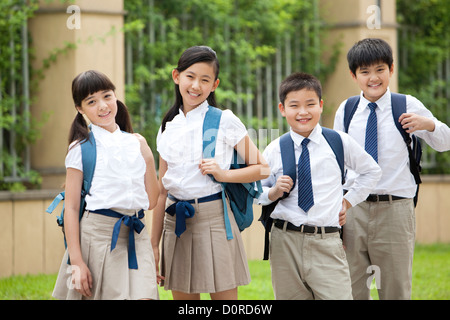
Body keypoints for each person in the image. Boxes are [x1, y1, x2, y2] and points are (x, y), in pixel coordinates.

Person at [333, 38, 450, 300]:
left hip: (395, 210)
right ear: (354, 75)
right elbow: (336, 163)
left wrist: (428, 124)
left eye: (380, 70)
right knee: (352, 289)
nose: (373, 78)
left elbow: (446, 142)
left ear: (391, 69)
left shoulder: (407, 105)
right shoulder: (347, 110)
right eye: (364, 72)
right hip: (354, 208)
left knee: (395, 289)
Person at [151, 46, 269, 300]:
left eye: (205, 80)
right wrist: (153, 243)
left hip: (214, 219)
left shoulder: (224, 120)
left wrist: (223, 174)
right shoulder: (167, 127)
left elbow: (262, 168)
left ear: (214, 85)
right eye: (190, 77)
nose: (196, 86)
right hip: (175, 223)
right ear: (176, 76)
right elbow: (162, 192)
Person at [258, 72, 381, 300]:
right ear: (282, 109)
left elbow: (372, 171)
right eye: (294, 105)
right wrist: (273, 192)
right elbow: (256, 191)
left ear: (321, 105)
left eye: (310, 104)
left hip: (327, 241)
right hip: (285, 241)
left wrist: (347, 201)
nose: (303, 112)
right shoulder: (274, 149)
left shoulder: (338, 142)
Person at [52, 70, 160, 300]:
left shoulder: (136, 143)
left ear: (115, 97)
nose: (103, 106)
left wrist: (148, 157)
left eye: (107, 96)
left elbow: (152, 201)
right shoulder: (80, 148)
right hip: (98, 238)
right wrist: (77, 262)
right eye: (92, 101)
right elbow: (70, 208)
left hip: (136, 234)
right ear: (80, 109)